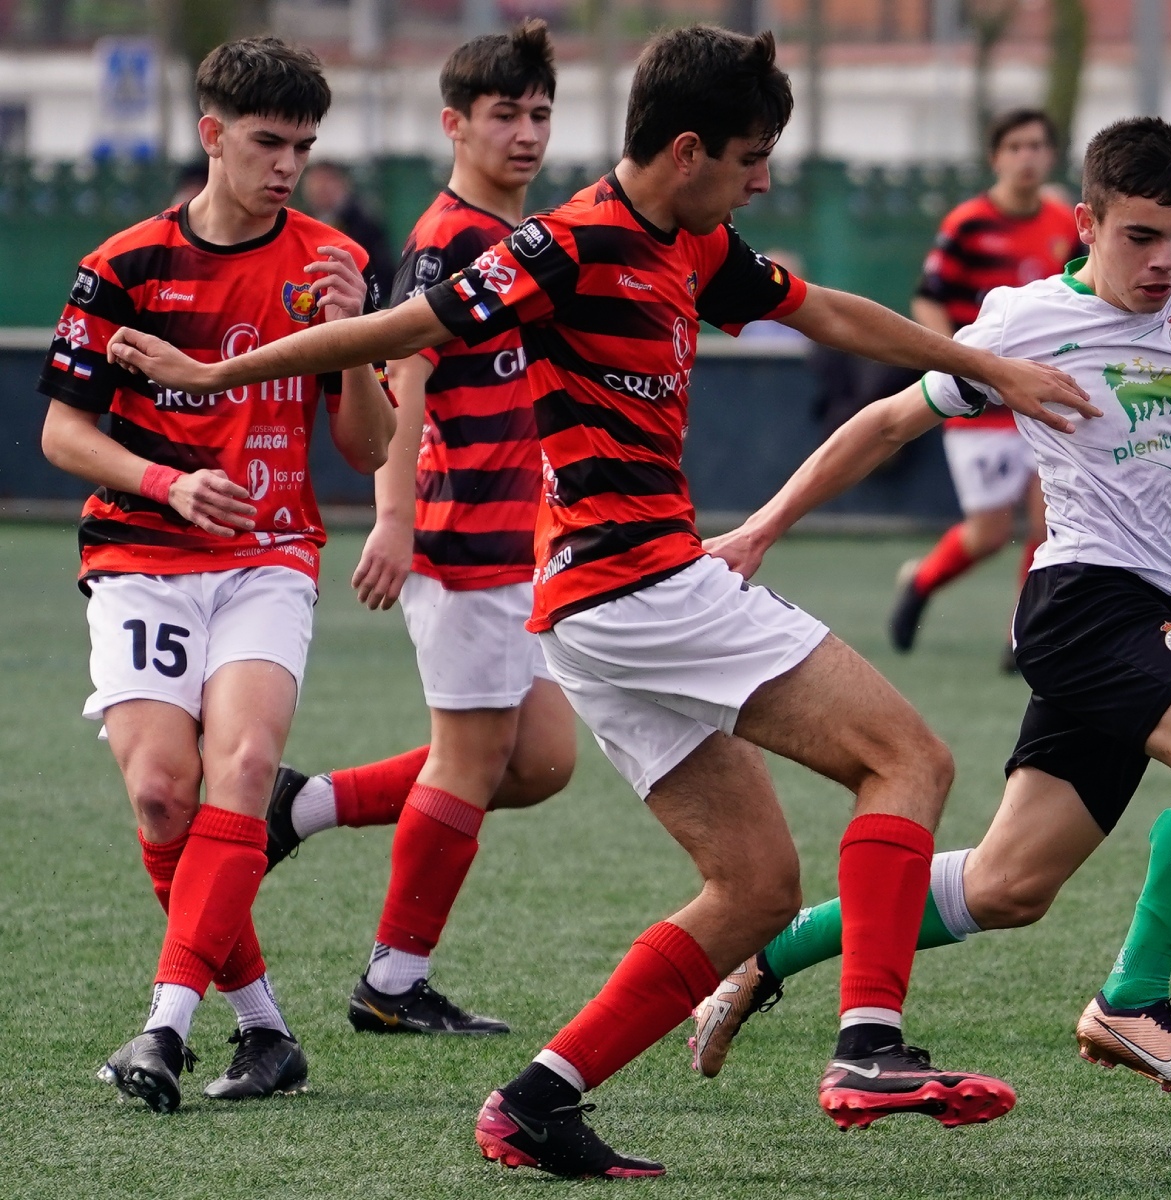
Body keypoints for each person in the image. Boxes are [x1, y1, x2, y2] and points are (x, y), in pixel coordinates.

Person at [107, 25, 1092, 1178]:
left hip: (590, 611)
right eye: (748, 157)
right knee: (910, 760)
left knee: (754, 888)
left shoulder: (694, 239)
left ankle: (535, 1101)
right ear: (686, 151)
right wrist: (219, 373)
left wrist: (987, 365)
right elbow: (409, 330)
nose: (762, 180)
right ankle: (869, 1045)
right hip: (642, 584)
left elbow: (823, 309)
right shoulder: (567, 244)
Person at [685, 117, 1171, 1108]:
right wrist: (761, 529)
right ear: (1086, 222)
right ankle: (1129, 1002)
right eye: (1140, 236)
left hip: (1143, 603)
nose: (1163, 261)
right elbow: (888, 420)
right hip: (1082, 603)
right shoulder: (1018, 323)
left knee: (1005, 888)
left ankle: (765, 959)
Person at [38, 37, 396, 1112]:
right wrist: (166, 482)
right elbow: (63, 431)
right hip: (141, 556)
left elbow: (370, 447)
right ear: (212, 136)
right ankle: (266, 1030)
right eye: (266, 142)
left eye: (304, 145)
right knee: (161, 796)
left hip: (268, 559)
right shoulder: (125, 266)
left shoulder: (331, 261)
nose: (288, 164)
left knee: (240, 769)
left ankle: (164, 1028)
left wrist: (348, 332)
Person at [260, 21, 572, 1037]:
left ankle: (299, 808)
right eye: (502, 115)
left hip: (522, 532)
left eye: (537, 114)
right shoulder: (448, 239)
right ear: (455, 124)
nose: (524, 133)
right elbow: (408, 375)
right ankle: (392, 985)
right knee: (476, 758)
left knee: (539, 761)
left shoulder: (525, 235)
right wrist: (393, 519)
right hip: (463, 531)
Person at [893, 107, 1085, 669]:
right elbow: (926, 296)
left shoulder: (1064, 225)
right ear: (996, 157)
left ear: (1050, 156)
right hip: (979, 400)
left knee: (1049, 522)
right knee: (989, 532)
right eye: (1016, 147)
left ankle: (1021, 635)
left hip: (1040, 394)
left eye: (1037, 147)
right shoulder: (967, 222)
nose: (1027, 157)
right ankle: (922, 581)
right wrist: (959, 358)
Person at [302, 160, 392, 286]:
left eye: (327, 181)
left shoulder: (364, 223)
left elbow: (383, 271)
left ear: (343, 184)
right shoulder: (303, 223)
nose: (320, 187)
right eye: (315, 181)